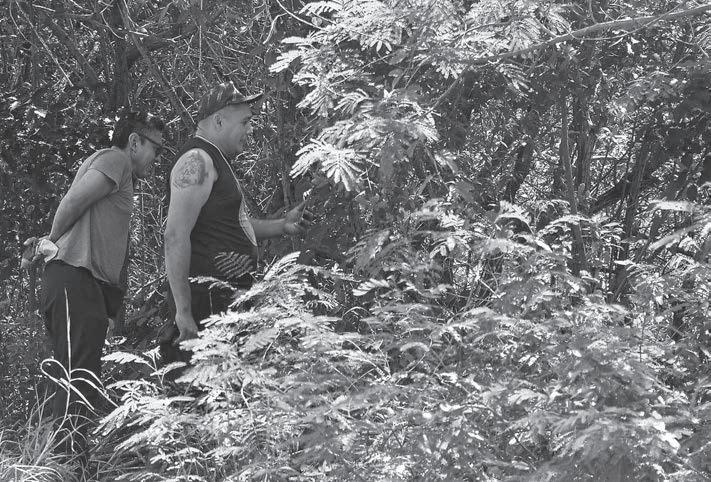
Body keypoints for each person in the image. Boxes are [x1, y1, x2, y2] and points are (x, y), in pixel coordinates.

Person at [23, 111, 165, 462]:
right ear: (134, 142)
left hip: (80, 285)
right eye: (156, 149)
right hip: (73, 278)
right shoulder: (116, 160)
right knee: (77, 379)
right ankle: (67, 465)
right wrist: (48, 241)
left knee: (75, 377)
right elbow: (73, 202)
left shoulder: (116, 168)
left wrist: (110, 306)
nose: (157, 157)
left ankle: (59, 463)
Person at [160, 81, 312, 366]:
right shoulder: (197, 160)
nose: (250, 130)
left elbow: (232, 226)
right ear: (218, 121)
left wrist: (282, 225)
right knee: (201, 388)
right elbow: (175, 235)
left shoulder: (213, 160)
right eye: (245, 122)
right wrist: (183, 311)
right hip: (205, 305)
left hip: (228, 303)